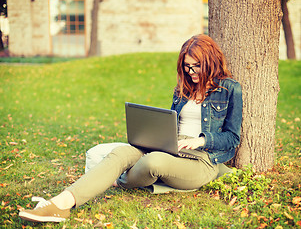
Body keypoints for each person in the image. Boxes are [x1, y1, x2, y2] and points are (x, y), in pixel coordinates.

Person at [19, 34, 243, 223]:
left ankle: (117, 180)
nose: (191, 72)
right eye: (187, 67)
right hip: (171, 146)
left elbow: (232, 138)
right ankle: (60, 204)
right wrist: (157, 135)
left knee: (152, 161)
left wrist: (201, 140)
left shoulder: (230, 89)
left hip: (201, 159)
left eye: (196, 66)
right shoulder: (183, 88)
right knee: (122, 152)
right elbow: (171, 121)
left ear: (211, 60)